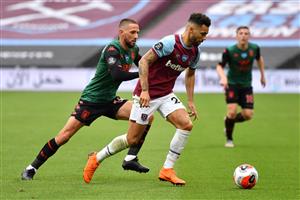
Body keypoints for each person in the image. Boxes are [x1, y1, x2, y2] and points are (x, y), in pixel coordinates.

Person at [82, 13, 211, 186]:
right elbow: (143, 62)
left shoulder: (195, 52)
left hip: (166, 94)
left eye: (206, 34)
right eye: (202, 34)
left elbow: (190, 75)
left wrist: (191, 101)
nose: (205, 37)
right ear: (191, 29)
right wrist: (144, 90)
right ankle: (96, 159)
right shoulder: (169, 43)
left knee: (186, 124)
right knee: (132, 139)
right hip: (146, 95)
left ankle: (167, 170)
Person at [21, 18, 153, 180]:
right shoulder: (112, 49)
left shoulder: (133, 50)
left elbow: (145, 64)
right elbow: (117, 74)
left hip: (110, 101)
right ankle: (31, 168)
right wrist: (141, 74)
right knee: (64, 136)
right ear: (121, 33)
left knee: (147, 115)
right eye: (132, 32)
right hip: (91, 101)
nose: (136, 36)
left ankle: (130, 158)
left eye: (138, 32)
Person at [216, 26, 266, 148]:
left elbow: (259, 59)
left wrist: (262, 75)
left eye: (246, 33)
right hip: (232, 84)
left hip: (246, 85)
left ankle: (228, 121)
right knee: (232, 112)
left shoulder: (254, 48)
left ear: (249, 36)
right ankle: (229, 139)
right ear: (236, 35)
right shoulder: (230, 50)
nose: (243, 35)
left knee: (248, 115)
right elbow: (219, 66)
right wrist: (223, 78)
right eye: (241, 33)